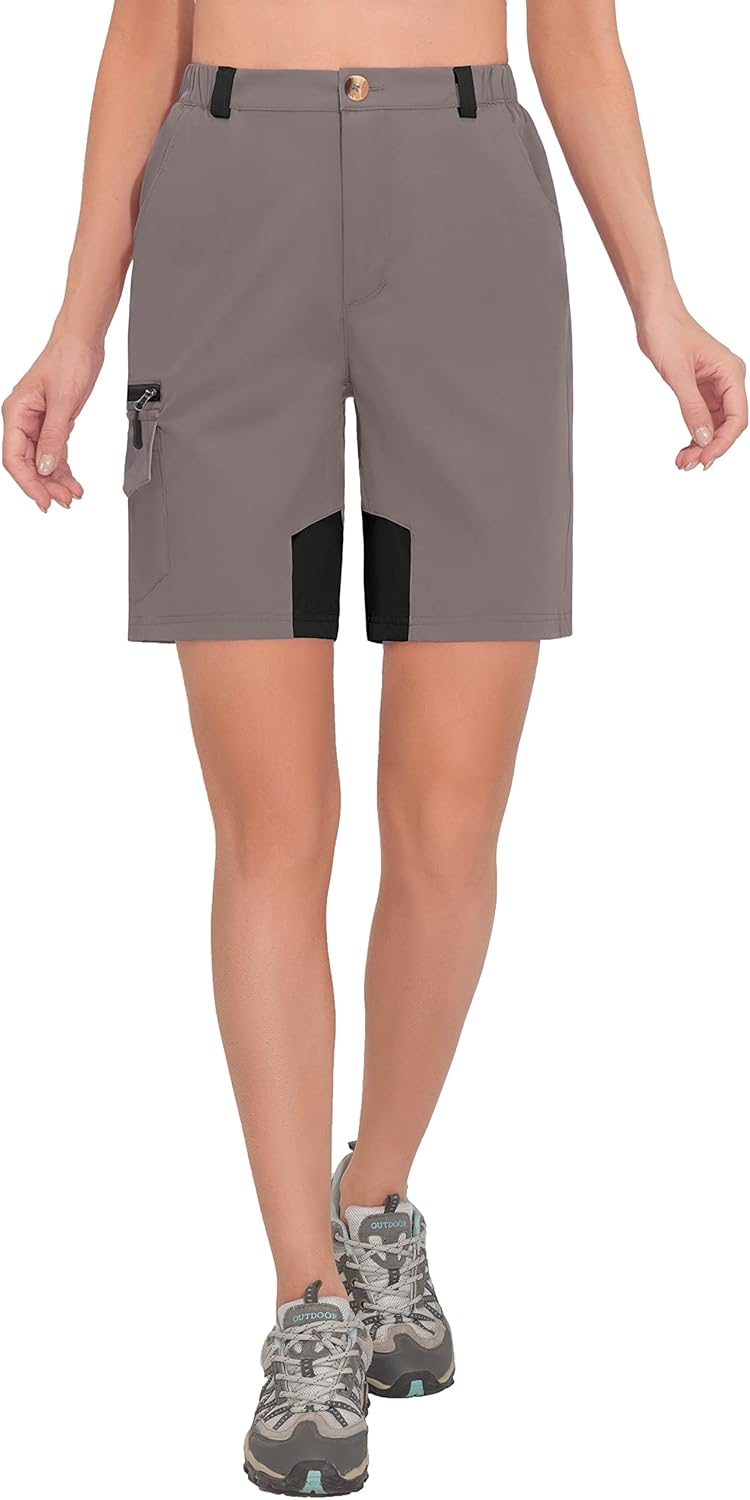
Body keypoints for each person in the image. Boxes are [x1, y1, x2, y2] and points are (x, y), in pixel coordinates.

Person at [2, 0, 746, 1494]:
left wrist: (657, 300)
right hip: (226, 202)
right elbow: (144, 33)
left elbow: (574, 30)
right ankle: (307, 1302)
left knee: (449, 821)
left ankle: (376, 1196)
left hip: (468, 199)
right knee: (274, 825)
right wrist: (78, 321)